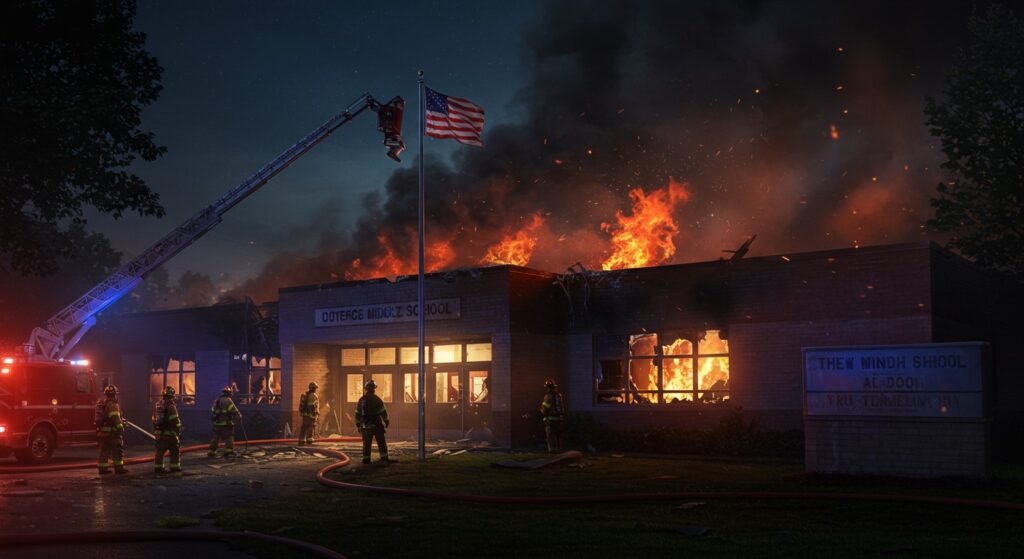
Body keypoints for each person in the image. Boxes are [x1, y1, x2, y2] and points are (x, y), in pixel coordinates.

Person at [95, 385, 128, 475]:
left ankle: (102, 469)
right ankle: (119, 468)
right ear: (115, 394)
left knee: (104, 451)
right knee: (117, 450)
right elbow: (116, 420)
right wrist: (121, 427)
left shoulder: (101, 404)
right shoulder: (113, 405)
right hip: (112, 433)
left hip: (102, 433)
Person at [355, 380, 389, 464]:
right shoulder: (377, 400)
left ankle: (366, 459)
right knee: (381, 442)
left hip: (366, 426)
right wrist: (386, 421)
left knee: (366, 444)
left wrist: (358, 424)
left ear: (366, 389)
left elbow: (357, 413)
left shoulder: (362, 400)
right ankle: (384, 458)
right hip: (377, 425)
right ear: (374, 389)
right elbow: (383, 412)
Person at [152, 386, 182, 473]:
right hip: (170, 434)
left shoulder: (158, 405)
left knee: (159, 452)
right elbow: (174, 420)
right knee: (174, 451)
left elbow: (154, 419)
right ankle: (175, 467)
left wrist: (156, 432)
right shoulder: (171, 406)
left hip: (159, 434)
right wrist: (178, 430)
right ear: (172, 396)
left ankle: (158, 468)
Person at [208, 386, 242, 458]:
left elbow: (212, 411)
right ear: (228, 393)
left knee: (215, 438)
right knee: (229, 437)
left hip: (217, 424)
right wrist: (239, 416)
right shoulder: (228, 400)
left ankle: (211, 452)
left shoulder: (217, 401)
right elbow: (234, 410)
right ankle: (229, 451)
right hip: (226, 423)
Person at [539, 379, 565, 454]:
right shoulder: (559, 395)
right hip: (559, 419)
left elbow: (544, 409)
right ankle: (560, 450)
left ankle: (552, 452)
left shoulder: (548, 396)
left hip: (551, 419)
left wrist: (542, 413)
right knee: (558, 435)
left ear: (548, 387)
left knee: (550, 435)